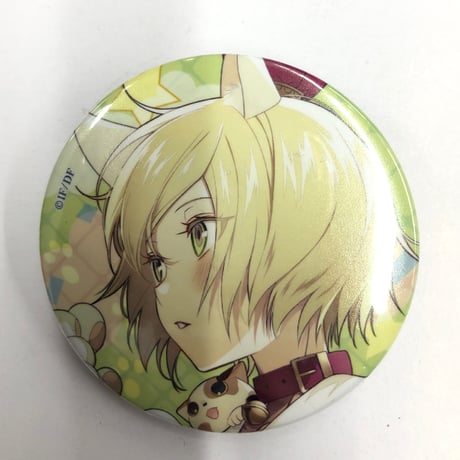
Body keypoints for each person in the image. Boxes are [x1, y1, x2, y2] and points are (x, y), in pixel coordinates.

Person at [90, 55, 415, 430]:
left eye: (200, 234)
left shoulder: (329, 400)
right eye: (157, 265)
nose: (170, 301)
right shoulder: (254, 410)